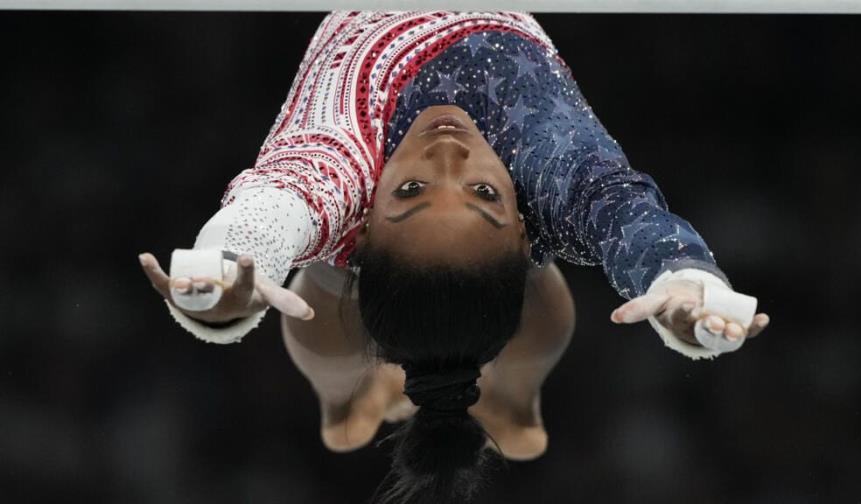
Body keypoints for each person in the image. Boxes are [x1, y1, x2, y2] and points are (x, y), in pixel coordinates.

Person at [138, 11, 770, 503]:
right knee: (497, 285)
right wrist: (680, 274)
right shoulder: (545, 166)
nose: (447, 156)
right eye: (484, 194)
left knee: (320, 281)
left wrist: (226, 267)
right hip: (490, 243)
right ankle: (510, 399)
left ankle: (347, 400)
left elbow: (275, 204)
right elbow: (620, 208)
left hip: (368, 248)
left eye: (411, 190)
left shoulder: (345, 161)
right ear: (524, 226)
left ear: (361, 229)